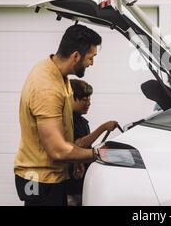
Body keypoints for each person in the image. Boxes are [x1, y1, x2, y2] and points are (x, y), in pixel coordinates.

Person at [14, 24, 104, 206]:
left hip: (51, 177)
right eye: (91, 57)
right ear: (76, 56)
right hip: (40, 181)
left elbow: (61, 134)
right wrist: (99, 154)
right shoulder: (46, 87)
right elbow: (57, 150)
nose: (91, 63)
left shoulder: (57, 74)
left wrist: (74, 159)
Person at [66, 79, 118, 206]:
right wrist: (103, 127)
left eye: (89, 99)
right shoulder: (69, 121)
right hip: (71, 185)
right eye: (84, 99)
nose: (89, 103)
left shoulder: (83, 122)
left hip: (80, 183)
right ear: (72, 99)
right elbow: (78, 145)